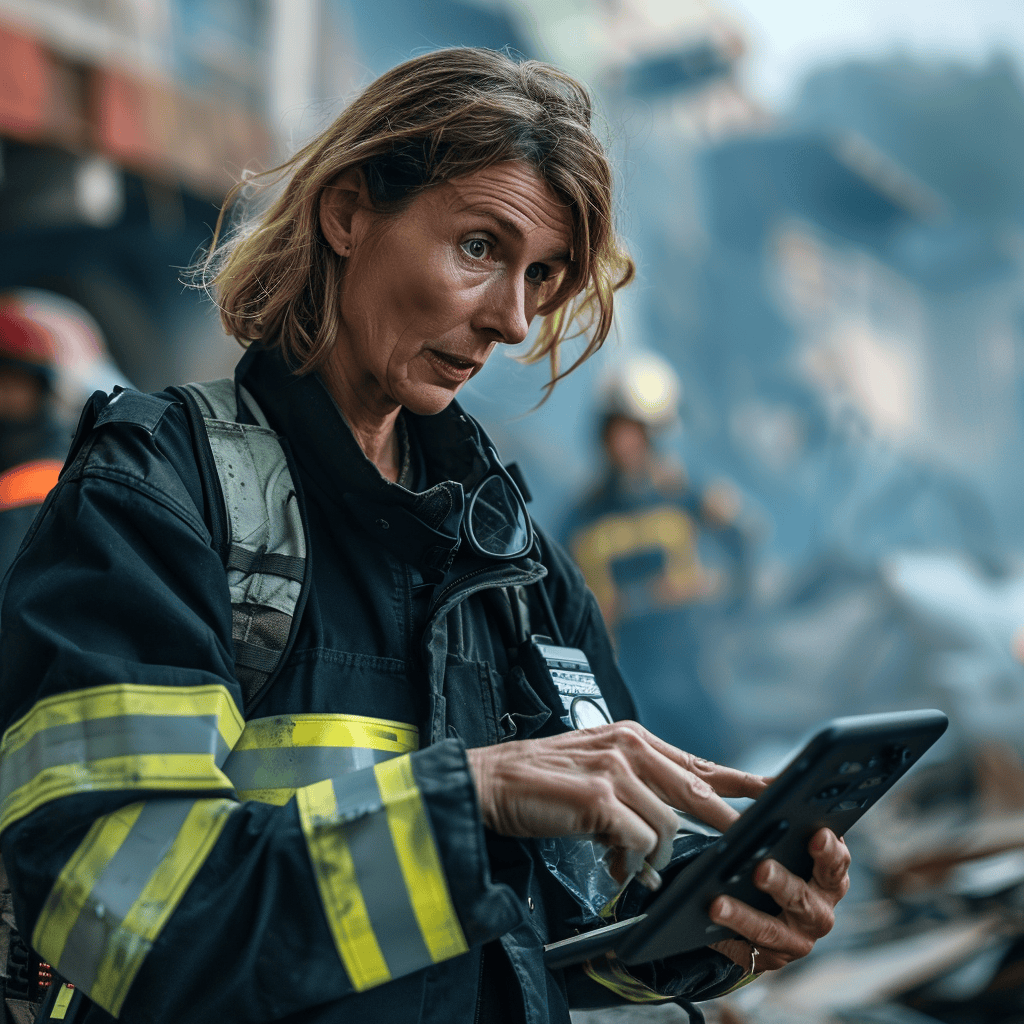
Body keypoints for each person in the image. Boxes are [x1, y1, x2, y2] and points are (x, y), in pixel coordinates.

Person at [0, 48, 850, 1024]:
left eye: (541, 275)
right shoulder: (157, 495)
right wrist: (465, 801)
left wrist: (707, 924)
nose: (513, 319)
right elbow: (122, 920)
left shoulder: (514, 557)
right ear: (349, 212)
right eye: (480, 247)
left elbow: (554, 937)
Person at [564, 353, 750, 763]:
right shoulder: (582, 518)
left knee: (728, 775)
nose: (624, 443)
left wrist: (725, 606)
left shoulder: (688, 498)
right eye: (617, 430)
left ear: (655, 435)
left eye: (635, 431)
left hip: (694, 671)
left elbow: (743, 550)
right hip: (629, 679)